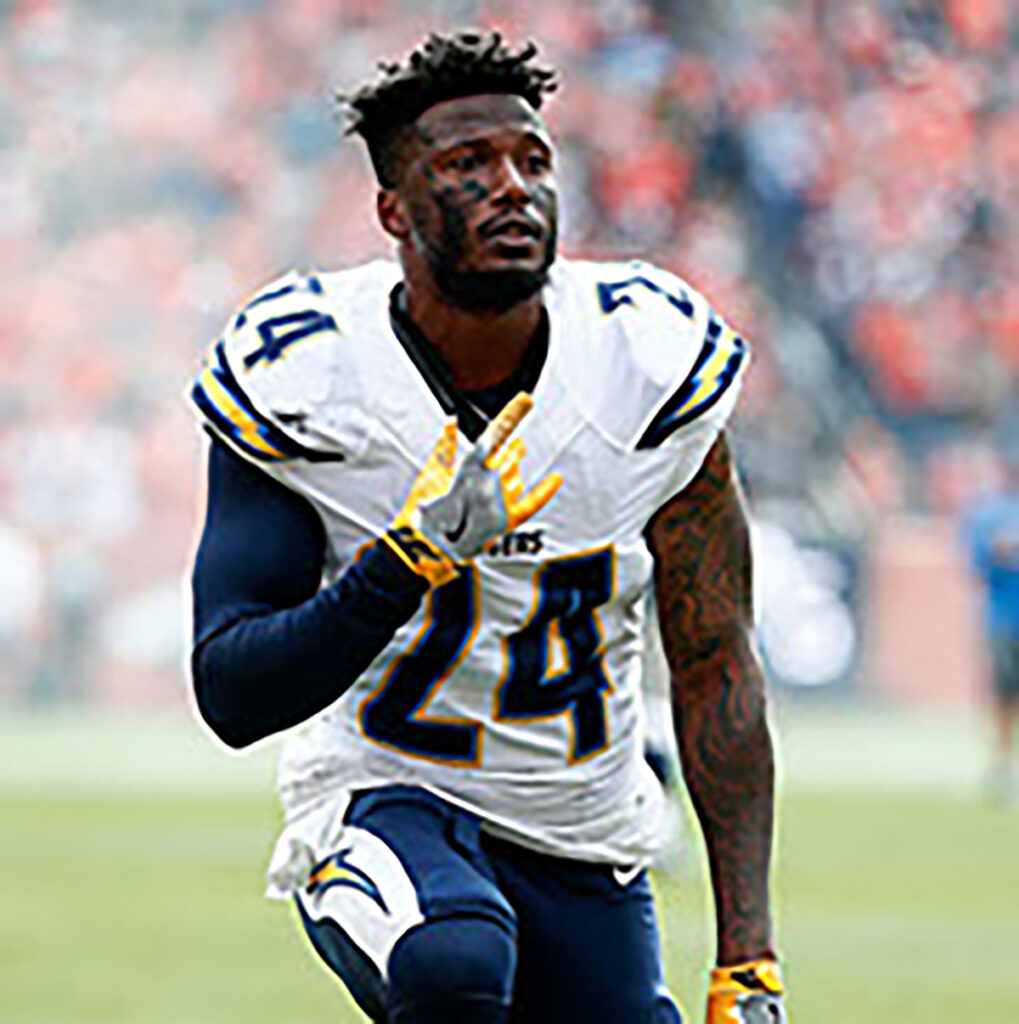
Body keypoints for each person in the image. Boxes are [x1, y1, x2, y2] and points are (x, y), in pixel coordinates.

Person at [189, 31, 786, 1024]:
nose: (512, 186)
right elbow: (232, 690)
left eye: (532, 159)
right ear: (392, 208)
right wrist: (405, 561)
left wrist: (748, 959)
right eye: (467, 165)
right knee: (451, 962)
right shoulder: (311, 374)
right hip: (384, 795)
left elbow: (715, 659)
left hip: (582, 833)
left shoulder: (642, 359)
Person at [965, 447, 1019, 803]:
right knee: (1003, 693)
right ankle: (1001, 762)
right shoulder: (987, 513)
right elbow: (977, 562)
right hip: (1002, 616)